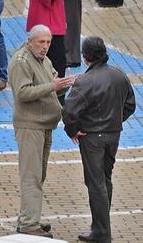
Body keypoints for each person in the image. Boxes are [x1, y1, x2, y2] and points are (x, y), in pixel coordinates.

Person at [63, 37, 136, 243]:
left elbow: (68, 111)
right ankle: (100, 228)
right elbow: (130, 104)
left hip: (92, 136)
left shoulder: (84, 82)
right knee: (105, 179)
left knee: (95, 183)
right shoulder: (119, 75)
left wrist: (73, 131)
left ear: (86, 57)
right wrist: (115, 121)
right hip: (113, 134)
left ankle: (102, 232)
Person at [8, 25, 76, 238]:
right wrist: (53, 86)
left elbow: (52, 84)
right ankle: (29, 223)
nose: (45, 47)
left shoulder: (43, 60)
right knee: (32, 176)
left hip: (44, 124)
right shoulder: (21, 62)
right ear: (30, 41)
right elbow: (23, 93)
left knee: (39, 174)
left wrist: (64, 84)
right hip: (30, 126)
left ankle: (29, 217)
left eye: (48, 42)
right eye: (41, 42)